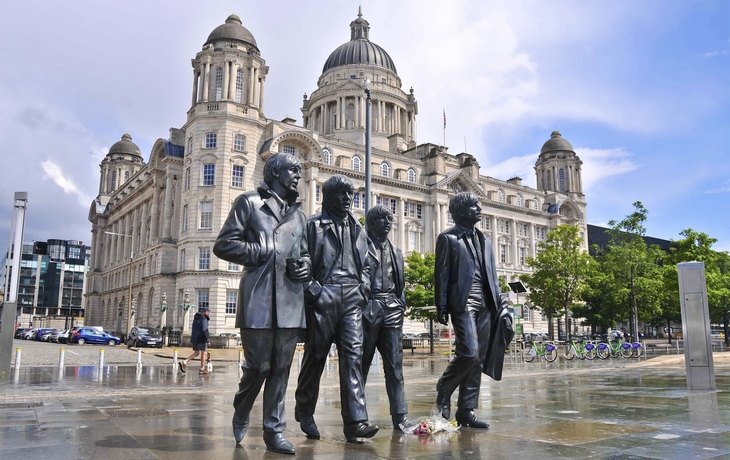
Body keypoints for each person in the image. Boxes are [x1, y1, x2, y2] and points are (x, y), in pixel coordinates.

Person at [213, 152, 310, 455]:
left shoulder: (299, 215)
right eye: (293, 170)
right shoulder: (249, 202)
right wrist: (257, 251)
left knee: (281, 368)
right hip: (258, 297)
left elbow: (305, 253)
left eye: (299, 171)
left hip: (291, 301)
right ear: (276, 172)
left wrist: (305, 266)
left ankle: (274, 430)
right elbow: (223, 244)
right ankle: (242, 405)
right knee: (258, 367)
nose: (298, 175)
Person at [294, 174, 379, 443]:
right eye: (341, 194)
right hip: (325, 294)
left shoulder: (358, 229)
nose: (347, 199)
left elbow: (368, 264)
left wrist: (363, 289)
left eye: (350, 194)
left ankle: (355, 422)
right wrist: (312, 290)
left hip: (352, 297)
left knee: (353, 357)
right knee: (316, 356)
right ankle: (305, 409)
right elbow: (300, 258)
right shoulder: (313, 225)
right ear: (328, 196)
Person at [434, 192, 510, 429]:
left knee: (478, 359)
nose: (479, 209)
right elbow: (441, 274)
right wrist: (441, 305)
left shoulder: (485, 240)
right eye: (474, 206)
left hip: (487, 302)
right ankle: (445, 387)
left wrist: (501, 304)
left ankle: (466, 410)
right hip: (463, 301)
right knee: (469, 353)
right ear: (460, 211)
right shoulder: (448, 238)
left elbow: (493, 275)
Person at [361, 205, 410, 430]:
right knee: (360, 365)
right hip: (369, 306)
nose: (387, 223)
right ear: (371, 223)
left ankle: (400, 416)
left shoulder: (396, 251)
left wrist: (400, 304)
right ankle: (357, 418)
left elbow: (401, 282)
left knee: (395, 367)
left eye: (389, 219)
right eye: (382, 219)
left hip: (392, 308)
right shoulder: (361, 247)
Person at [179, 307, 210, 375]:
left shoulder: (196, 318)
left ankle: (185, 362)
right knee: (204, 353)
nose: (208, 313)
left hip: (194, 338)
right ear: (204, 312)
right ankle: (202, 369)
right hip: (201, 338)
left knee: (196, 353)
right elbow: (204, 329)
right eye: (208, 312)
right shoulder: (203, 319)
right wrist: (208, 339)